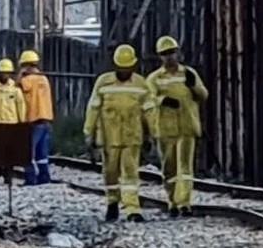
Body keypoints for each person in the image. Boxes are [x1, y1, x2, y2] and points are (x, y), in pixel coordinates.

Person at [84, 44, 156, 223]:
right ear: (115, 65)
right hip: (109, 138)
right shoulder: (103, 82)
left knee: (130, 173)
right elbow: (93, 108)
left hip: (132, 136)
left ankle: (133, 208)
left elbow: (149, 111)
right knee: (110, 173)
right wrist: (88, 133)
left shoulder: (141, 84)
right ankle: (112, 203)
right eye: (121, 68)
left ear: (133, 66)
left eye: (127, 68)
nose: (124, 71)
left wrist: (152, 133)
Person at [146, 35, 209, 217]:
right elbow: (147, 99)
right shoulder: (154, 78)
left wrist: (193, 86)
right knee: (169, 169)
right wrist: (162, 100)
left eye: (171, 53)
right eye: (165, 54)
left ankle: (184, 203)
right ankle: (172, 200)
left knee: (185, 168)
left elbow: (203, 95)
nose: (169, 57)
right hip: (165, 129)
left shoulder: (188, 74)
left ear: (177, 53)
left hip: (187, 126)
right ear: (160, 56)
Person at [18, 49, 54, 185]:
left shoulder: (26, 80)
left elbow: (17, 88)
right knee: (42, 153)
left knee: (27, 151)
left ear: (25, 65)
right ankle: (44, 177)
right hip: (46, 120)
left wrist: (20, 75)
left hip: (33, 120)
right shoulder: (44, 79)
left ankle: (30, 178)